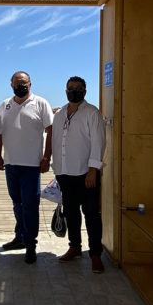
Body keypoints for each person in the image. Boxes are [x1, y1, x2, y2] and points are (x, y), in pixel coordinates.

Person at [0, 71, 53, 264]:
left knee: (30, 206)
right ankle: (20, 237)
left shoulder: (41, 103)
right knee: (17, 203)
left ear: (30, 84)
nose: (21, 86)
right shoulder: (5, 105)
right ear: (11, 84)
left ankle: (31, 245)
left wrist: (46, 157)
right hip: (11, 164)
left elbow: (50, 130)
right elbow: (0, 133)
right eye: (17, 83)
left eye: (24, 83)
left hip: (31, 165)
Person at [52, 76, 107, 273]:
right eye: (70, 88)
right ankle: (74, 247)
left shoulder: (92, 112)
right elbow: (56, 142)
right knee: (71, 213)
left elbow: (98, 143)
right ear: (65, 90)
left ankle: (95, 255)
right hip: (65, 173)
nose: (73, 91)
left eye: (78, 88)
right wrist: (56, 169)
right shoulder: (59, 115)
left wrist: (93, 170)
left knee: (91, 215)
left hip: (86, 174)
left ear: (84, 90)